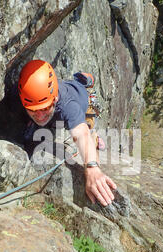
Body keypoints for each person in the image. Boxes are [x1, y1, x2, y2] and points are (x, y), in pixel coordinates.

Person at [18, 60, 117, 207]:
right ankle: (80, 80)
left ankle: (86, 81)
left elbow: (82, 134)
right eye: (32, 110)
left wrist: (92, 169)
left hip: (83, 99)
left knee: (89, 128)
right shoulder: (24, 95)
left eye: (45, 108)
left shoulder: (69, 105)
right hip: (64, 91)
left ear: (55, 98)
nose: (39, 115)